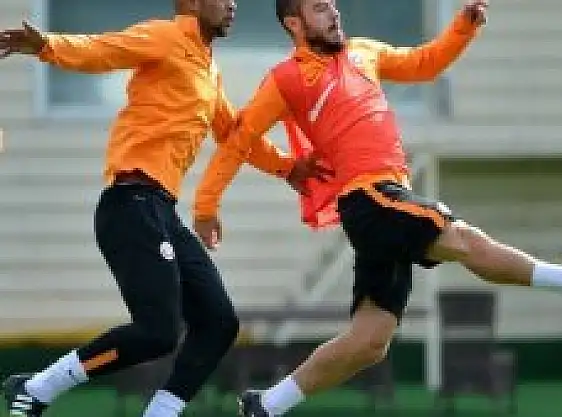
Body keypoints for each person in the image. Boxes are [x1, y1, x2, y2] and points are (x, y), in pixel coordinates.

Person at [191, 0, 562, 415]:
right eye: (320, 7)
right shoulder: (286, 78)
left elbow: (424, 63)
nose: (334, 12)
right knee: (462, 240)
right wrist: (207, 206)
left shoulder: (363, 51)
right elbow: (238, 141)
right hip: (369, 199)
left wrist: (464, 26)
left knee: (370, 341)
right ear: (294, 24)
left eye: (333, 4)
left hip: (385, 199)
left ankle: (266, 405)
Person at [0, 1, 328, 416]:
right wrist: (47, 45)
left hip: (161, 211)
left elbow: (234, 133)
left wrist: (288, 166)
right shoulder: (165, 36)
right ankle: (36, 387)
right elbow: (103, 49)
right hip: (130, 203)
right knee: (157, 332)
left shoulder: (207, 68)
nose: (232, 4)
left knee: (218, 322)